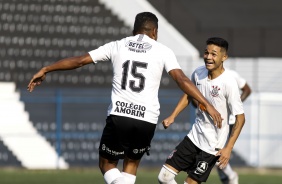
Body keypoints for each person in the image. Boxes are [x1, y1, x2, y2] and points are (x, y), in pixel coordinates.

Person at [27, 12, 222, 184]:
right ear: (154, 32)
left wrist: (46, 69)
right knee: (131, 163)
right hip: (147, 120)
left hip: (120, 115)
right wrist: (206, 104)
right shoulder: (163, 50)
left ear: (134, 30)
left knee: (106, 164)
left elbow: (79, 61)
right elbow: (181, 79)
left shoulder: (118, 45)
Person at [158, 37, 245, 184]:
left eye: (213, 54)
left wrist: (228, 147)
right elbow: (188, 93)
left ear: (224, 57)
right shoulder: (198, 73)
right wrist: (173, 116)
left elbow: (241, 118)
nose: (208, 57)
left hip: (212, 146)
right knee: (164, 178)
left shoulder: (229, 83)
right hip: (194, 137)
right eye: (206, 53)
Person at [216, 69, 251, 184]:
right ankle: (228, 178)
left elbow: (247, 90)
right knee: (214, 154)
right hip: (209, 122)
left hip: (227, 122)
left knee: (216, 152)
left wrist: (234, 104)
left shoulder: (231, 75)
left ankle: (231, 176)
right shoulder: (203, 75)